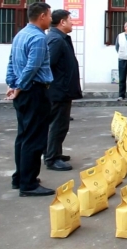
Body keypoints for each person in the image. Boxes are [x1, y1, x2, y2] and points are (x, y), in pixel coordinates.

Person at [6, 2, 55, 197]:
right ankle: (28, 184)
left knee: (23, 136)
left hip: (23, 92)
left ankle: (20, 177)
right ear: (42, 16)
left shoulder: (21, 34)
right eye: (49, 15)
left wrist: (12, 84)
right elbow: (32, 67)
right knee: (34, 139)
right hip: (34, 91)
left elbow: (11, 62)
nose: (51, 19)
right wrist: (18, 86)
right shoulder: (38, 37)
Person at [45, 10, 82, 172]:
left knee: (60, 124)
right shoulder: (56, 39)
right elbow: (47, 65)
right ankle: (52, 158)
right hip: (58, 90)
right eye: (70, 19)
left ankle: (54, 152)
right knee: (58, 125)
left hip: (63, 89)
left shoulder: (61, 38)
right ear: (62, 22)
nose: (72, 22)